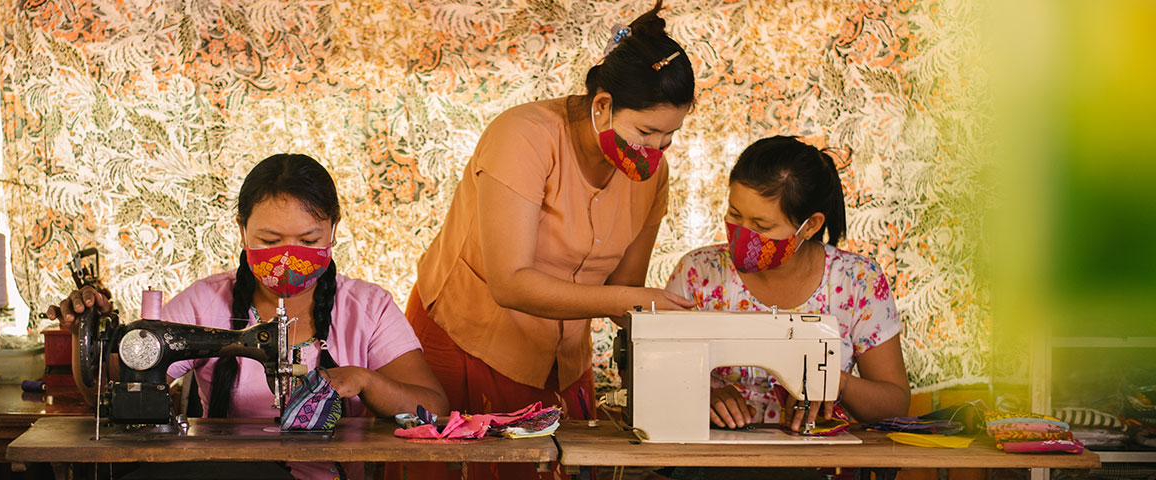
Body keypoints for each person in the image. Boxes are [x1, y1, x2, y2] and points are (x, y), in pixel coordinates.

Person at [400, 2, 695, 478]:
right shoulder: (523, 137)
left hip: (560, 362)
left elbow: (625, 290)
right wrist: (627, 301)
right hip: (470, 344)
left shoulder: (651, 176)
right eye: (646, 131)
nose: (657, 150)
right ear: (602, 105)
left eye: (671, 135)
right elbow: (511, 283)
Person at [50, 153, 448, 480]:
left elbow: (434, 408)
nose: (289, 256)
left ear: (333, 231)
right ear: (242, 232)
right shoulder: (206, 301)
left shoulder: (370, 308)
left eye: (309, 241)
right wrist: (81, 335)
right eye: (270, 241)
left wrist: (365, 380)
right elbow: (108, 391)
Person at [663, 135, 910, 438]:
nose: (742, 234)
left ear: (810, 225)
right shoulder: (698, 274)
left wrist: (837, 382)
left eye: (762, 226)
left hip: (818, 466)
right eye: (734, 215)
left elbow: (895, 405)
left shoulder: (857, 282)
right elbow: (657, 377)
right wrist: (700, 394)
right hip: (710, 459)